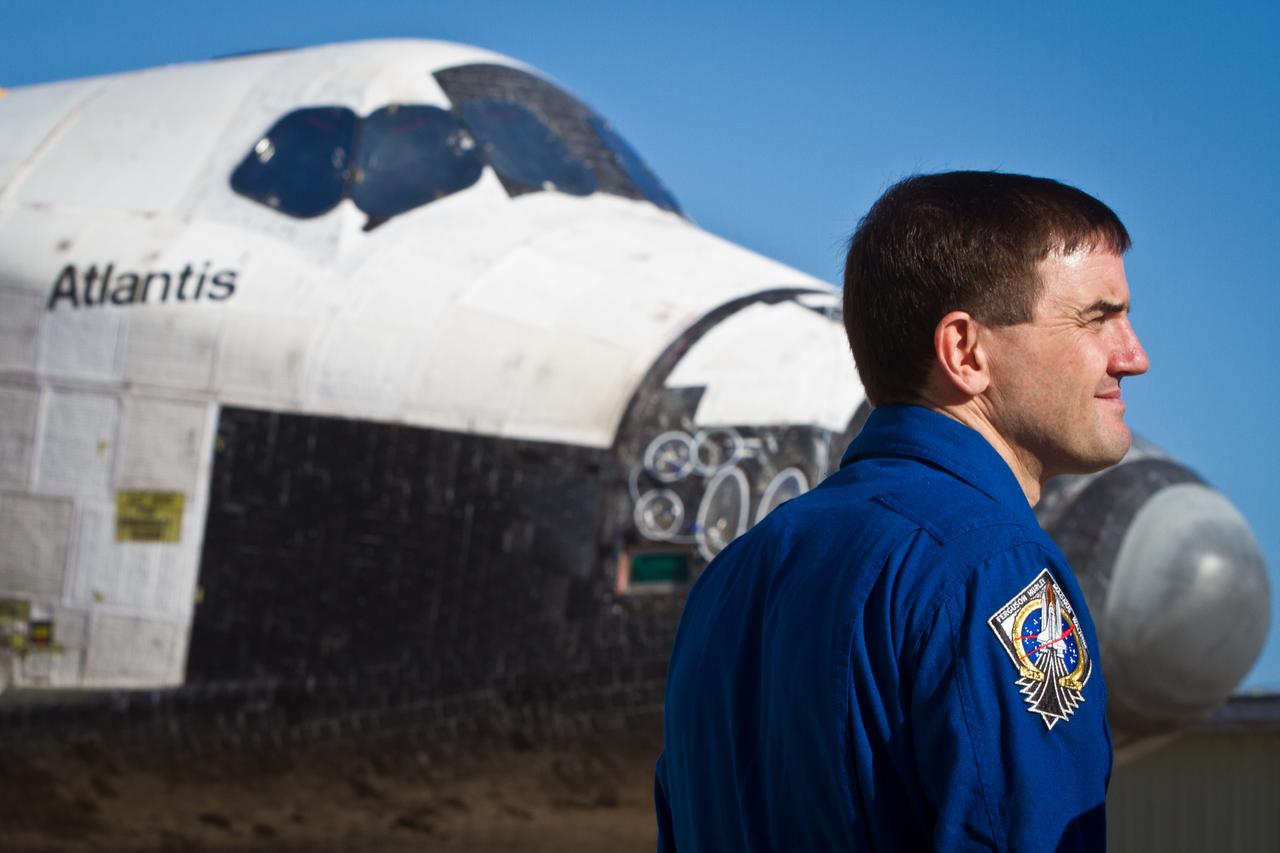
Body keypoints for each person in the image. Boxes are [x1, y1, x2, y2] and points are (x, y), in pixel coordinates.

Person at [653, 171, 1149, 851]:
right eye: (1096, 318)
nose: (1133, 357)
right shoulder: (991, 566)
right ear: (965, 351)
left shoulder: (728, 581)